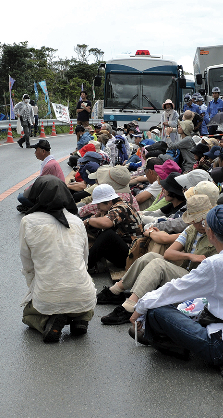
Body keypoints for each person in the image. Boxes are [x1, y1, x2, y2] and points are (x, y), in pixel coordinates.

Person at [130, 205, 223, 366]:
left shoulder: (216, 263)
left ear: (210, 233)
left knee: (155, 311)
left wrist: (140, 308)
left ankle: (175, 344)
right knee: (175, 301)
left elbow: (176, 289)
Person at [98, 194, 217, 326]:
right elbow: (168, 253)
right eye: (195, 220)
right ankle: (116, 290)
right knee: (151, 257)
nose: (198, 224)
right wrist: (189, 256)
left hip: (198, 281)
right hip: (187, 272)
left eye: (201, 220)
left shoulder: (216, 232)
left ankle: (129, 306)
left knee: (158, 264)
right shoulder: (191, 229)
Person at [19, 176, 96, 343]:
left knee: (28, 315)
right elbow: (84, 260)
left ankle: (48, 322)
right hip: (82, 294)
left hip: (48, 296)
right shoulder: (77, 221)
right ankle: (80, 320)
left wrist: (35, 288)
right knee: (83, 303)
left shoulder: (28, 221)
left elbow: (27, 264)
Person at [85, 184, 143, 273]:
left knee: (107, 235)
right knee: (97, 229)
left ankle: (86, 265)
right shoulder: (118, 205)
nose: (97, 207)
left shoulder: (121, 207)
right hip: (127, 250)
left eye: (99, 204)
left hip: (131, 255)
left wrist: (89, 221)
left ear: (108, 202)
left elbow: (106, 223)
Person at [17, 139, 64, 211]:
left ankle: (37, 208)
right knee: (26, 194)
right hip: (56, 193)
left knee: (21, 197)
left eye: (36, 150)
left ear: (43, 151)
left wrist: (28, 190)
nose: (35, 153)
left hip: (55, 197)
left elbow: (39, 183)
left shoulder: (49, 165)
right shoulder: (50, 162)